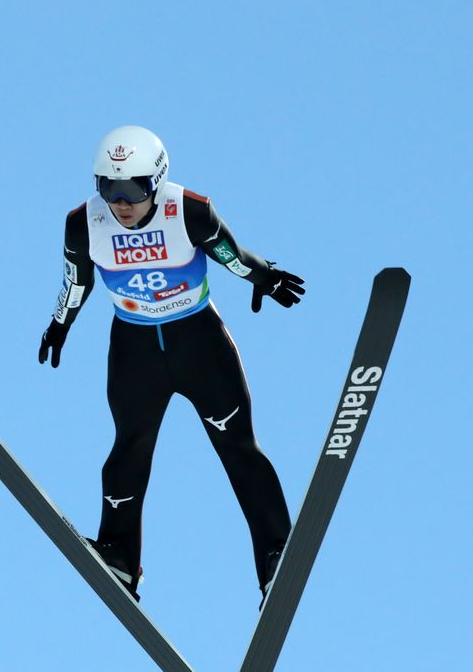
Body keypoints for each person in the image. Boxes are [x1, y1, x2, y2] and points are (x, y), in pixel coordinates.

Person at [38, 125, 305, 603]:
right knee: (128, 451)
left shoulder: (190, 211)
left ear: (156, 181)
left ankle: (277, 554)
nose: (121, 202)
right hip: (134, 350)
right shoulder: (84, 224)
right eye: (108, 188)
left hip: (197, 343)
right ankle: (119, 558)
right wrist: (60, 324)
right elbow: (76, 282)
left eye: (134, 189)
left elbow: (232, 255)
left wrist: (263, 277)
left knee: (238, 448)